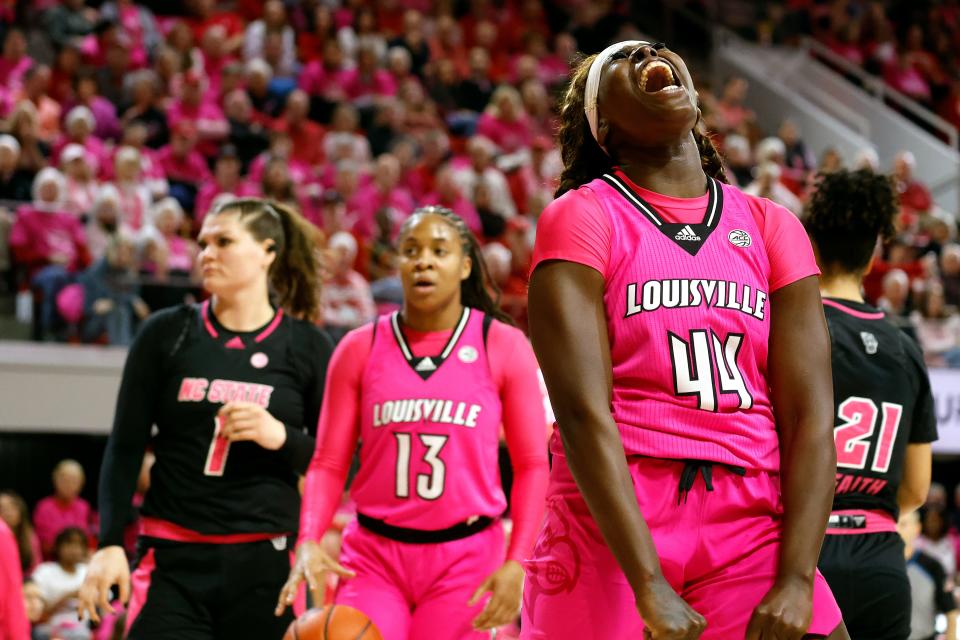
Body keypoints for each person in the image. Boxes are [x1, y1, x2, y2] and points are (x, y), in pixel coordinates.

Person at [521, 40, 846, 639]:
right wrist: (647, 581)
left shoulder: (772, 226)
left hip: (749, 518)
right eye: (621, 60)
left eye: (655, 47)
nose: (647, 52)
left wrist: (798, 577)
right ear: (604, 124)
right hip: (613, 518)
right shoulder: (583, 216)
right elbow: (580, 412)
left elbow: (811, 418)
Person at [277, 206, 550, 639]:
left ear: (464, 266)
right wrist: (309, 536)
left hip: (468, 558)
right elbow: (329, 462)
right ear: (398, 264)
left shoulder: (503, 344)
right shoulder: (357, 347)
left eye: (439, 251)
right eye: (411, 250)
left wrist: (518, 562)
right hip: (373, 556)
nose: (423, 260)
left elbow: (534, 464)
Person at [77, 198, 335, 639]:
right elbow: (124, 446)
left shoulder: (307, 346)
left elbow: (340, 461)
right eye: (203, 243)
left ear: (267, 252)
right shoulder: (166, 333)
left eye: (223, 241)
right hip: (172, 561)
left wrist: (281, 437)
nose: (206, 253)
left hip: (267, 561)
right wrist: (109, 544)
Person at [807, 169, 937, 640]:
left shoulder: (792, 327)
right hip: (881, 560)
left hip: (805, 555)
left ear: (811, 240)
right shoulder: (906, 348)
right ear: (875, 249)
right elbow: (916, 491)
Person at [898, 510, 959, 640]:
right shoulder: (878, 567)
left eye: (903, 524)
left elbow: (950, 611)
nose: (897, 529)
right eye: (894, 524)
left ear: (917, 528)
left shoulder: (933, 566)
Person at [31, 527, 90, 640]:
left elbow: (104, 607)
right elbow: (39, 612)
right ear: (57, 547)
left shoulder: (88, 571)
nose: (74, 549)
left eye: (79, 545)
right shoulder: (44, 571)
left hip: (84, 629)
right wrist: (69, 596)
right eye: (69, 543)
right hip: (48, 628)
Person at [33, 459, 95, 559]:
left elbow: (88, 539)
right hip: (51, 564)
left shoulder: (84, 507)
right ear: (55, 480)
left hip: (79, 563)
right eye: (64, 479)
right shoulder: (44, 507)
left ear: (81, 483)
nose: (68, 484)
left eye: (74, 480)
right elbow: (44, 545)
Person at [0, 490, 42, 574]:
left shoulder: (29, 536)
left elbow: (36, 567)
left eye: (12, 508)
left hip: (25, 580)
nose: (8, 512)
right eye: (2, 508)